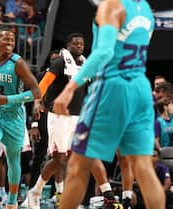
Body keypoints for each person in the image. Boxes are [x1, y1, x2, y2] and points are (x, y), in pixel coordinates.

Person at [53, 0, 165, 208]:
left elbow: (104, 52)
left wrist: (70, 89)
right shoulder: (145, 8)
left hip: (113, 87)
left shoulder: (112, 6)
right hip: (140, 86)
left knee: (78, 165)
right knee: (143, 167)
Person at [27, 33, 116, 209]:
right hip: (59, 117)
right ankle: (35, 191)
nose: (79, 46)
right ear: (68, 45)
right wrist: (37, 101)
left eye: (81, 44)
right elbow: (43, 84)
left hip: (79, 117)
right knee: (59, 160)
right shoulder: (60, 62)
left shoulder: (86, 65)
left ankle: (109, 195)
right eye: (75, 43)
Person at [0, 28, 41, 209]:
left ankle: (12, 201)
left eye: (12, 39)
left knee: (13, 160)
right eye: (6, 38)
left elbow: (36, 92)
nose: (10, 42)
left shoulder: (18, 63)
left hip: (13, 117)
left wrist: (10, 99)